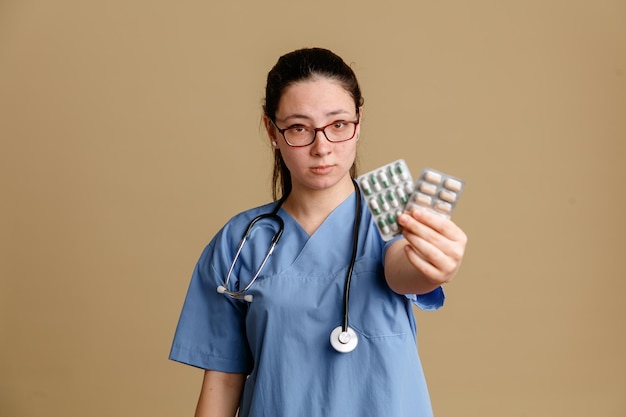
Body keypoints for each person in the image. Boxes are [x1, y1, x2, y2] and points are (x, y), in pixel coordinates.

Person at [169, 47, 468, 417]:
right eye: (299, 128)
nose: (321, 147)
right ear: (271, 131)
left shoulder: (392, 216)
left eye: (338, 124)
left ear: (359, 121)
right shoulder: (239, 242)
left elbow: (403, 269)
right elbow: (223, 382)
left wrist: (432, 266)